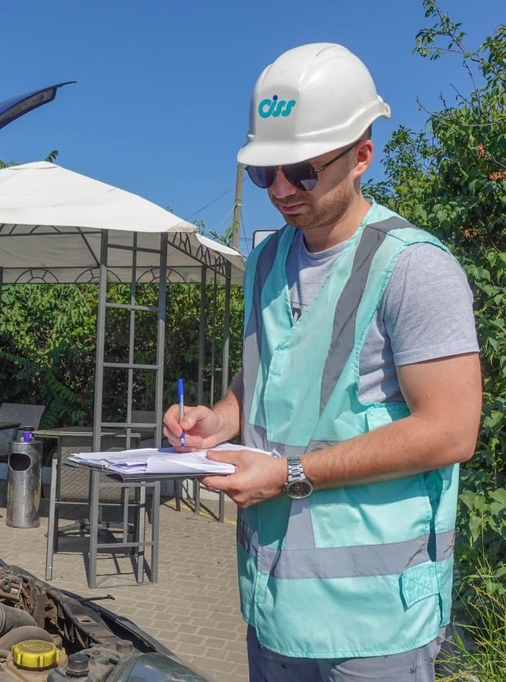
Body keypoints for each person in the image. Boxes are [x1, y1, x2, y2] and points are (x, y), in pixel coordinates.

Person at [163, 43, 482, 681]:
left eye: (302, 172)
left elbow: (451, 430)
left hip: (374, 624)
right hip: (273, 603)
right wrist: (219, 420)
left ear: (362, 155)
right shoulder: (266, 262)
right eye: (264, 173)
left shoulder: (416, 267)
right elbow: (267, 375)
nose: (280, 190)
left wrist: (289, 474)